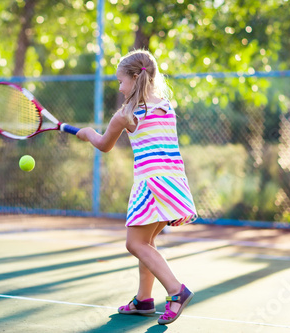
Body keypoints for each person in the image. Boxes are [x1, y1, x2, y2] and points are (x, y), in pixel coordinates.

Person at [76, 49, 198, 325]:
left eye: (120, 81)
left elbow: (104, 144)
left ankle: (176, 291)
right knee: (147, 243)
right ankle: (144, 300)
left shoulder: (126, 115)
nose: (119, 88)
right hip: (173, 182)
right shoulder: (166, 105)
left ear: (134, 78)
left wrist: (88, 134)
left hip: (151, 184)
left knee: (135, 243)